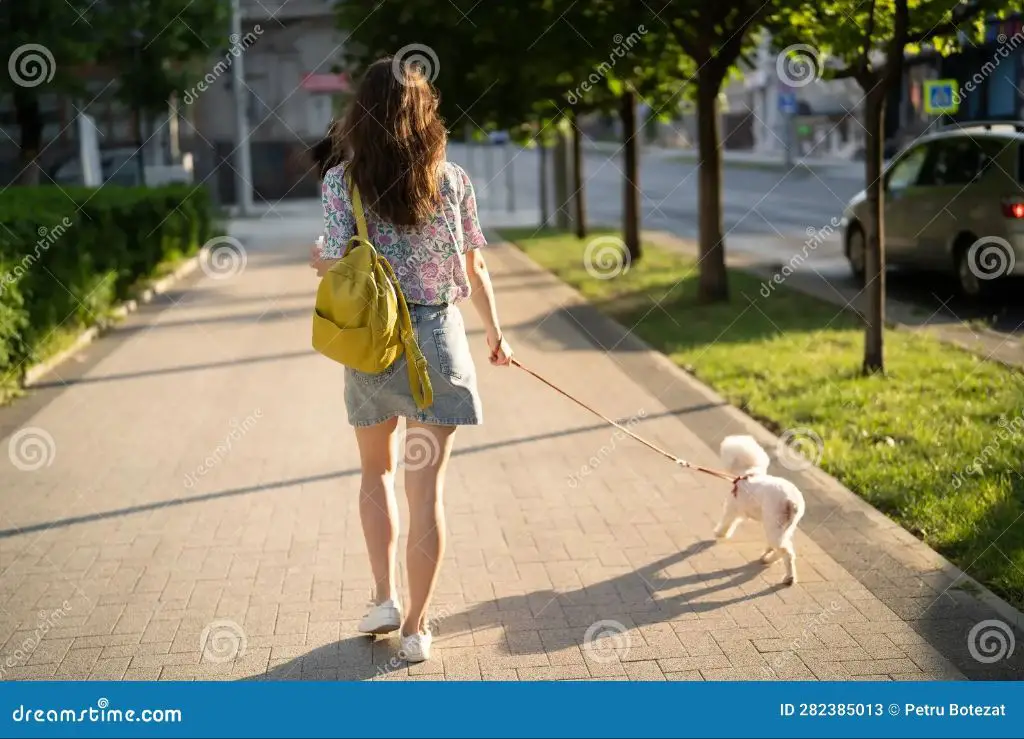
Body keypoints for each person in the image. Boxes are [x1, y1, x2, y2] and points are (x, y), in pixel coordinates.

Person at [308, 58, 513, 663]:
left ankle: (383, 597)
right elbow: (474, 267)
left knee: (377, 474)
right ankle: (417, 628)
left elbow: (337, 261)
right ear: (424, 111)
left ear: (360, 112)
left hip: (375, 345)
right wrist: (497, 335)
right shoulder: (451, 179)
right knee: (429, 493)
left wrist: (319, 265)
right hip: (440, 343)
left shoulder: (342, 182)